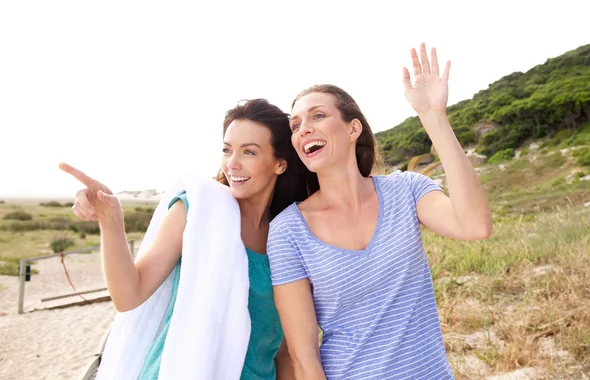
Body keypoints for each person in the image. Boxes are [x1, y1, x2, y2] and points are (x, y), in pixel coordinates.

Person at [266, 44, 492, 379]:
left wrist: (434, 118)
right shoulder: (288, 230)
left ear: (353, 129)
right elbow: (303, 355)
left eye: (318, 116)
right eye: (296, 124)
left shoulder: (406, 191)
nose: (304, 129)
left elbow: (474, 225)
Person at [60, 98, 313, 379]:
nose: (233, 164)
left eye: (249, 152)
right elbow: (129, 295)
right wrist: (112, 223)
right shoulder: (198, 212)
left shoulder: (290, 237)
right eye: (227, 150)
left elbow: (285, 350)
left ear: (279, 163)